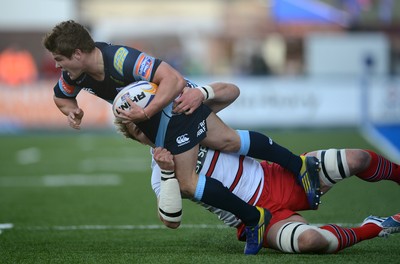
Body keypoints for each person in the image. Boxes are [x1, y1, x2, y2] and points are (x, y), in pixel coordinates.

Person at [43, 20, 320, 255]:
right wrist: (73, 112)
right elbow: (60, 97)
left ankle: (254, 218)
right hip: (156, 117)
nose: (58, 66)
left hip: (173, 105)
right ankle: (298, 166)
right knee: (229, 141)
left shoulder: (121, 59)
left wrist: (147, 111)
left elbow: (173, 79)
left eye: (60, 59)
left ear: (78, 53)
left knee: (187, 182)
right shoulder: (74, 74)